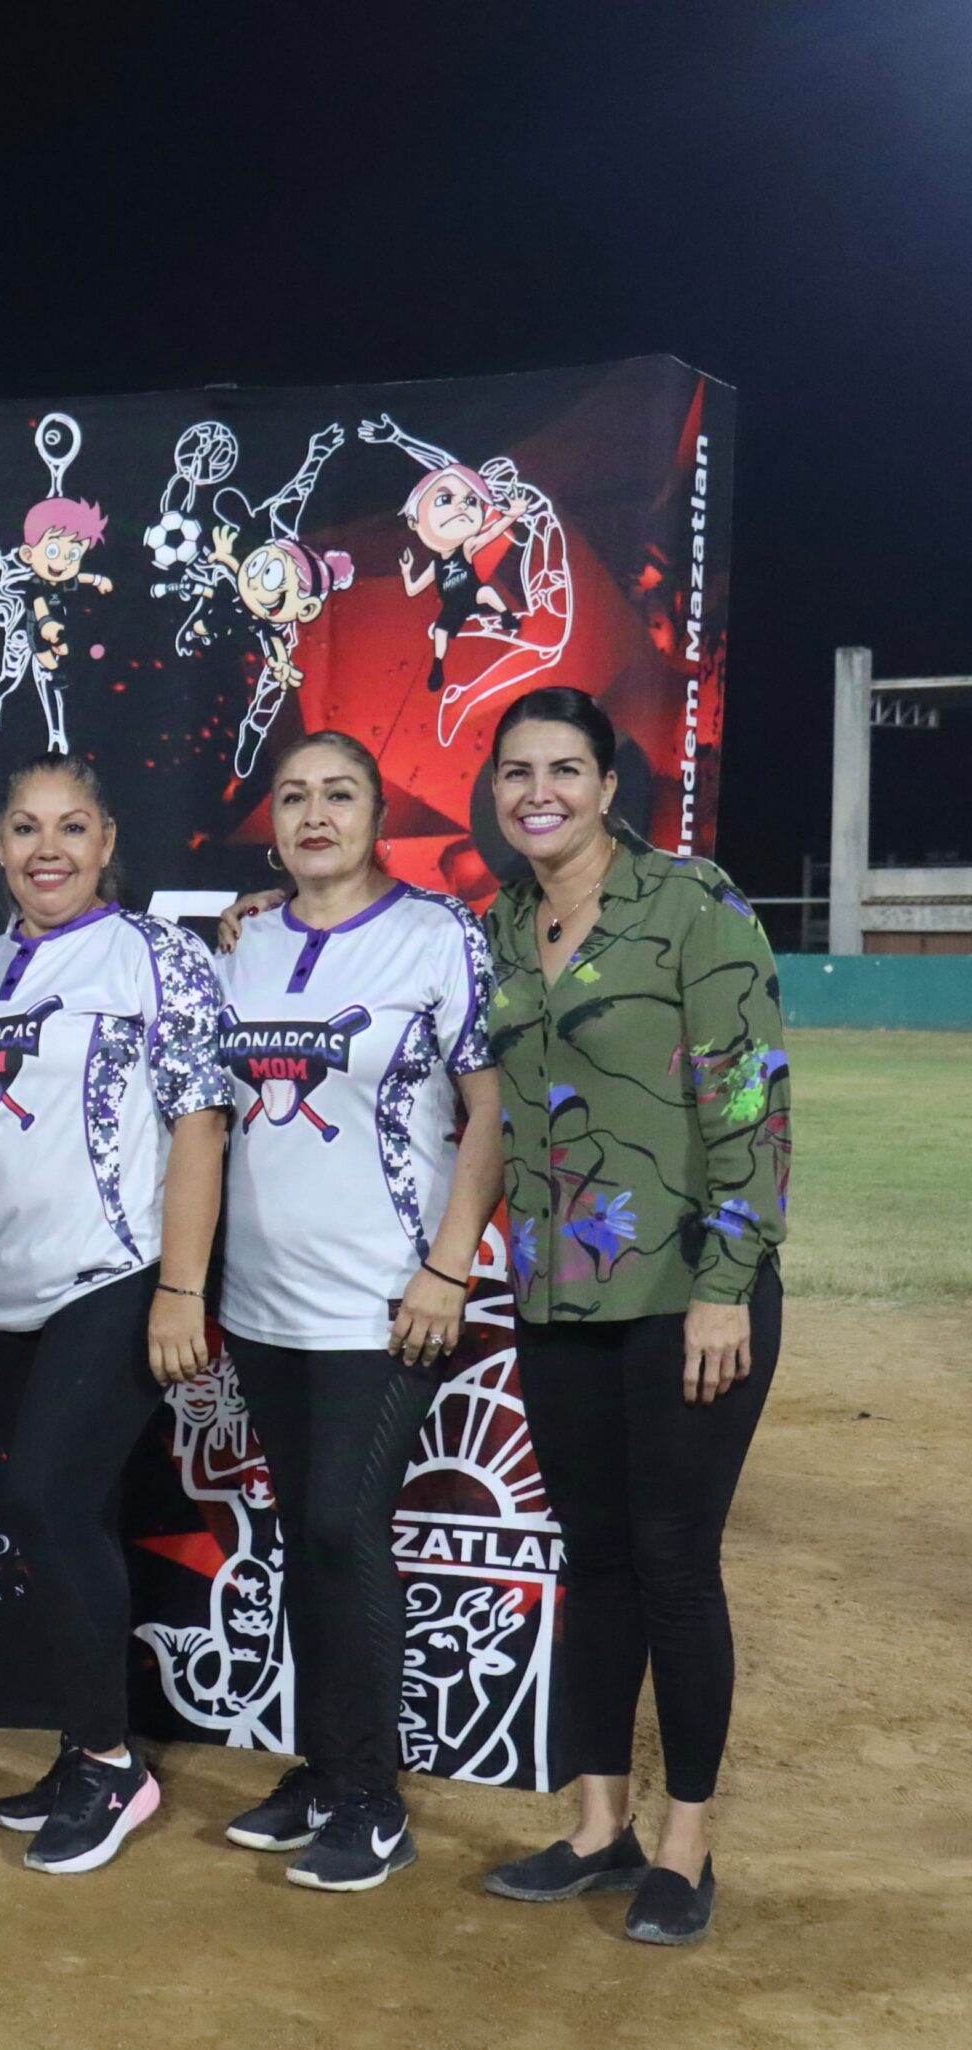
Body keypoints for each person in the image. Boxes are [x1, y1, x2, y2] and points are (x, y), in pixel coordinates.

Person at [473, 687, 789, 1945]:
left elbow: (749, 1108)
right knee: (591, 1559)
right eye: (514, 772)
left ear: (609, 785)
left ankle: (684, 1845)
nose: (535, 790)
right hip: (558, 1294)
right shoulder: (500, 924)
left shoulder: (690, 904)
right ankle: (598, 1828)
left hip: (682, 1294)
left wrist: (724, 1288)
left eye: (562, 768)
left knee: (669, 1557)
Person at [208, 732, 501, 1893]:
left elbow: (489, 1114)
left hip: (388, 1300)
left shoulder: (438, 937)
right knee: (301, 1535)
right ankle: (322, 1767)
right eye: (293, 796)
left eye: (339, 794)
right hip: (262, 1302)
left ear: (379, 813)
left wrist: (448, 1265)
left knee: (341, 1523)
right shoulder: (240, 943)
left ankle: (374, 1800)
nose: (315, 814)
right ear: (270, 821)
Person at [0, 752, 233, 1877]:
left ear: (107, 843)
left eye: (70, 827)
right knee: (67, 1521)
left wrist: (178, 1286)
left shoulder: (156, 955)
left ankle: (114, 1766)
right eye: (24, 828)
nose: (46, 848)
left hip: (113, 1279)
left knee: (46, 1497)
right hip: (0, 1295)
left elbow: (201, 1122)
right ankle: (82, 1743)